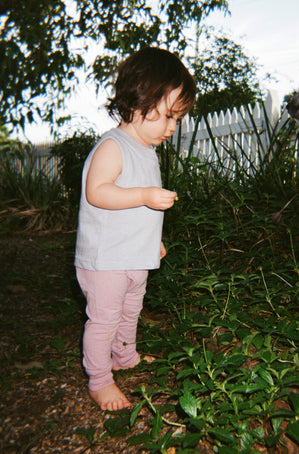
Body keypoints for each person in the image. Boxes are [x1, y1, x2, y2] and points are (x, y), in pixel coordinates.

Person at [74, 47, 196, 411]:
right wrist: (144, 195)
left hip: (132, 255)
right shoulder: (113, 146)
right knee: (105, 319)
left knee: (130, 311)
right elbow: (98, 192)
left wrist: (151, 240)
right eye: (168, 116)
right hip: (106, 259)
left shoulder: (147, 152)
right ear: (138, 101)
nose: (172, 127)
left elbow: (138, 211)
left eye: (178, 119)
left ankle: (125, 356)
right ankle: (99, 379)